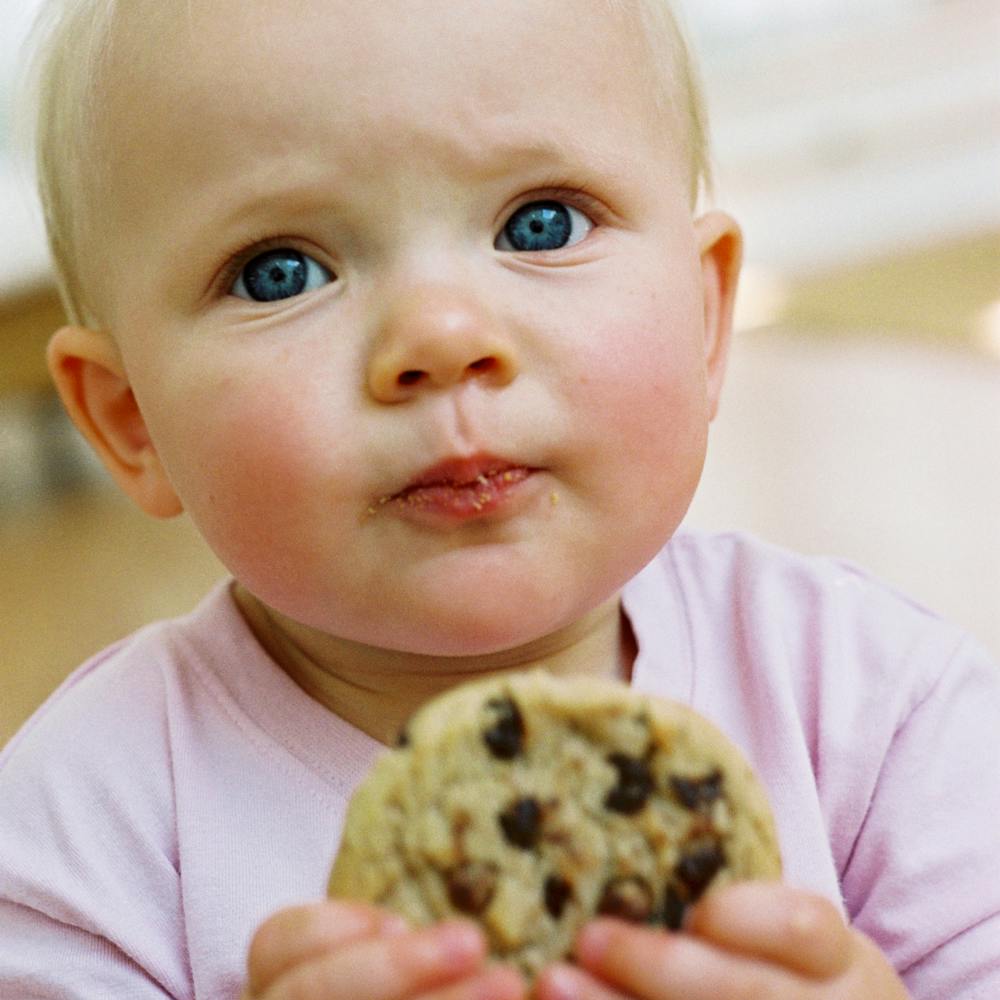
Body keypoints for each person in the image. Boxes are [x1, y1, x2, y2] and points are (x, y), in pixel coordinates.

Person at [2, 0, 997, 997]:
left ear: (703, 315)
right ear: (132, 420)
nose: (441, 334)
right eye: (280, 272)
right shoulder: (81, 842)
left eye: (541, 222)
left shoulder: (874, 710)